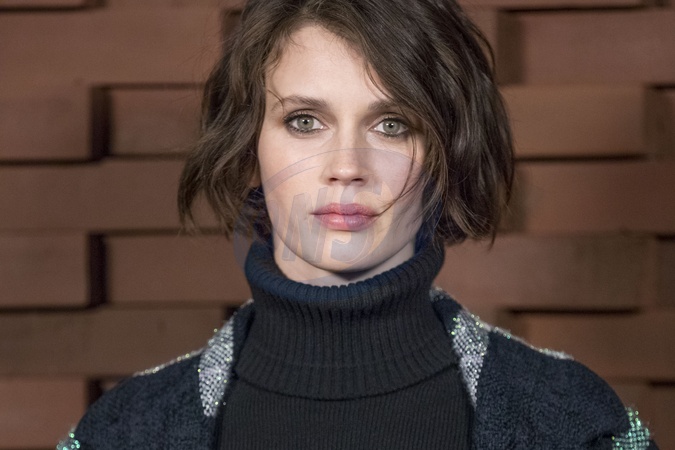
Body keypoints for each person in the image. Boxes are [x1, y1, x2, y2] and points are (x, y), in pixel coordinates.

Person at [58, 0, 658, 448]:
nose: (346, 167)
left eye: (393, 124)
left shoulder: (579, 425)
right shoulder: (120, 433)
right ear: (248, 147)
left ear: (448, 155)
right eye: (304, 121)